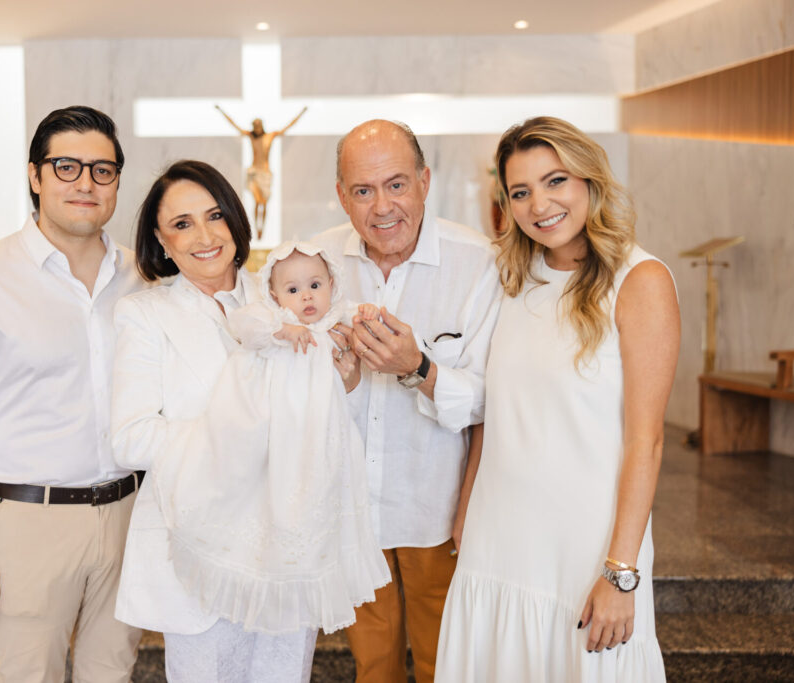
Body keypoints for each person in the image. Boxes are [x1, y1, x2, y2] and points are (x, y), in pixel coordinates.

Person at [435, 116, 679, 682]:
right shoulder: (511, 278)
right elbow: (495, 413)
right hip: (499, 536)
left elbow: (646, 441)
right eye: (520, 192)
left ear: (590, 180)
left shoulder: (640, 280)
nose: (539, 205)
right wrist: (467, 509)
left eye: (555, 181)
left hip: (586, 543)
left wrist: (621, 572)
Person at [0, 106, 147, 682]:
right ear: (35, 176)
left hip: (132, 515)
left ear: (117, 181)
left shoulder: (143, 277)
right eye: (67, 166)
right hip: (32, 521)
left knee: (112, 673)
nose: (85, 183)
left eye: (102, 170)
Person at [111, 161, 362, 682]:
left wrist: (344, 380)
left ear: (235, 219)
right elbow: (131, 439)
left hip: (287, 544)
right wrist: (236, 438)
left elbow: (320, 409)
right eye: (182, 224)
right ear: (162, 240)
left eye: (215, 215)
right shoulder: (145, 315)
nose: (204, 236)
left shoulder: (288, 293)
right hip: (198, 549)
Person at [312, 119, 504, 682]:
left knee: (449, 664)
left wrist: (418, 368)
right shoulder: (314, 263)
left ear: (424, 181)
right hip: (349, 512)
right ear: (342, 195)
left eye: (396, 185)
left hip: (437, 510)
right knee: (374, 668)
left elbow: (495, 399)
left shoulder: (479, 265)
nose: (382, 207)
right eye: (363, 190)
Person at [152, 240, 391, 636]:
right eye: (293, 290)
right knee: (267, 494)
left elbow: (362, 315)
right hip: (273, 429)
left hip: (318, 433)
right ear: (275, 295)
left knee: (314, 497)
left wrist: (366, 313)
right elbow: (243, 325)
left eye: (315, 285)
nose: (306, 297)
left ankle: (298, 565)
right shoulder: (270, 318)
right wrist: (282, 328)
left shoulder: (334, 320)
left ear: (332, 284)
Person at [214, 104, 307, 238]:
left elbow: (288, 126)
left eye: (258, 125)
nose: (257, 128)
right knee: (257, 202)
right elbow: (234, 125)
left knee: (264, 203)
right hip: (254, 172)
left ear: (262, 126)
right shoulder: (251, 137)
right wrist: (221, 111)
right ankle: (256, 228)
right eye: (255, 126)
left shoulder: (270, 136)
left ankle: (261, 227)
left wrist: (301, 113)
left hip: (265, 173)